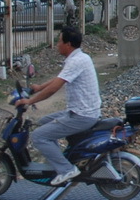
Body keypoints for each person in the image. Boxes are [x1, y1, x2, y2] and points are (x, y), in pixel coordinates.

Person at [15, 26, 101, 186]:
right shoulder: (80, 58)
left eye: (59, 42)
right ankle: (58, 162)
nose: (57, 45)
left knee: (39, 136)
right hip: (82, 112)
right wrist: (40, 87)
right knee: (43, 122)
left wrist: (30, 101)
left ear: (68, 44)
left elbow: (54, 88)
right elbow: (60, 79)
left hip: (81, 116)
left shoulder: (76, 61)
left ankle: (66, 170)